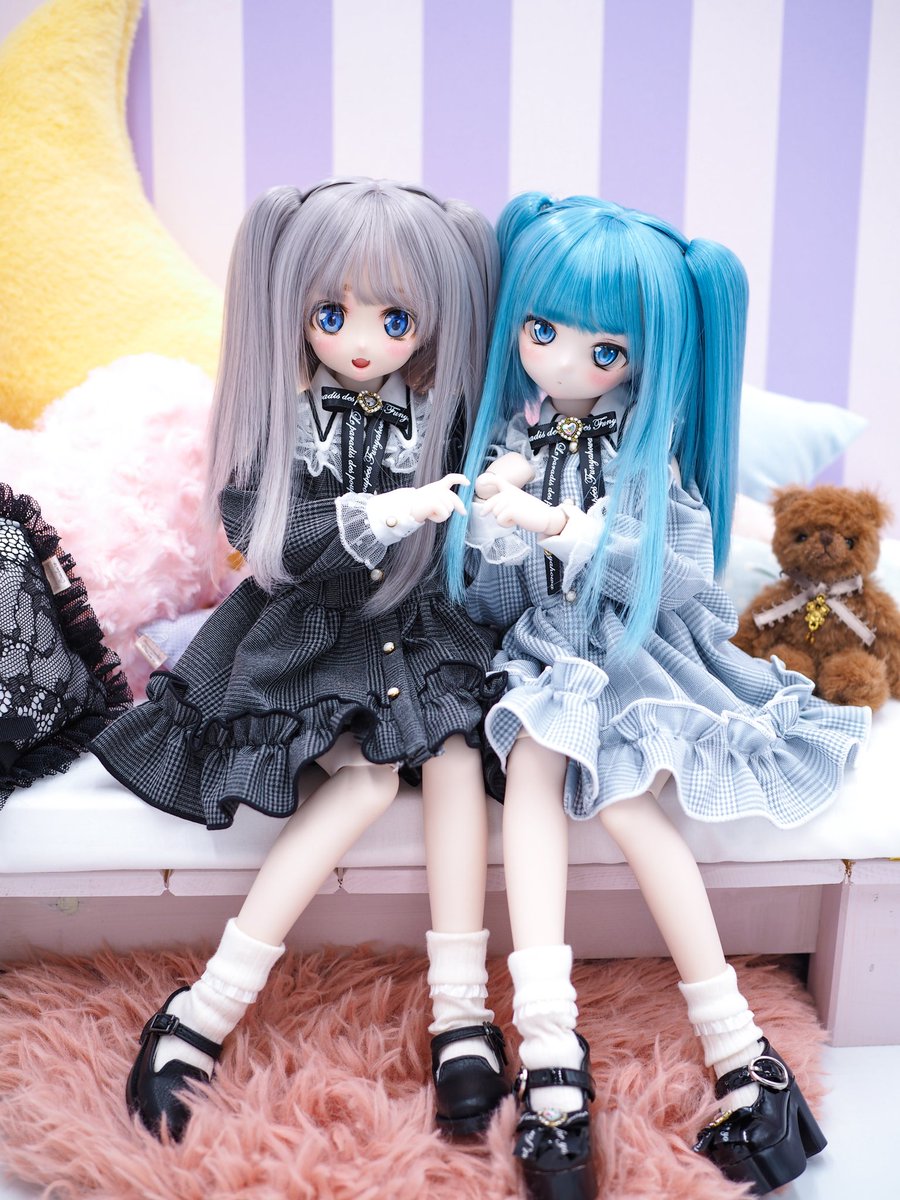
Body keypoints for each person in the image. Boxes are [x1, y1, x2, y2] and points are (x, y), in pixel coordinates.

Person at [445, 193, 869, 1199]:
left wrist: (562, 528)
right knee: (539, 765)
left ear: (640, 359)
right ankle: (555, 1052)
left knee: (631, 807)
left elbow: (681, 578)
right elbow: (492, 604)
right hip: (550, 661)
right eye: (541, 332)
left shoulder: (646, 451)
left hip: (635, 657)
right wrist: (498, 525)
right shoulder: (510, 438)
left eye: (602, 350)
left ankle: (737, 1053)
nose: (562, 361)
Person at [92, 178, 509, 1141]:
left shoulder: (437, 414)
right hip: (312, 631)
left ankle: (462, 1018)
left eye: (395, 319)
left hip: (420, 629)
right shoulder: (287, 417)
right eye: (333, 314)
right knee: (364, 784)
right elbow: (260, 532)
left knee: (453, 758)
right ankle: (208, 1006)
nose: (361, 341)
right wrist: (381, 513)